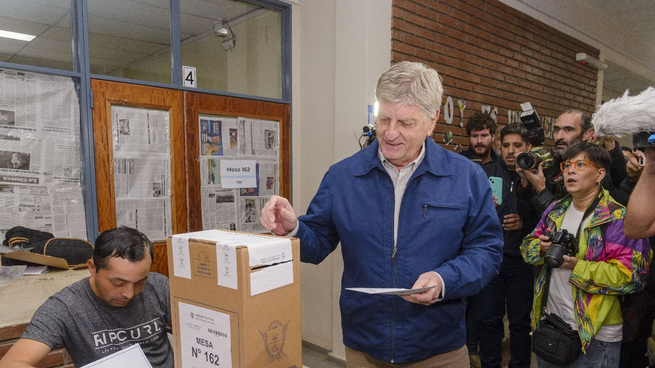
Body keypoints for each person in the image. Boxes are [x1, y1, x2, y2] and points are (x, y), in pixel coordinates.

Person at [260, 61, 504, 367]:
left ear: (432, 121)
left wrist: (445, 279)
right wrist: (293, 229)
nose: (390, 133)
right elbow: (319, 242)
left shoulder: (466, 178)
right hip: (365, 347)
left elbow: (487, 251)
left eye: (405, 123)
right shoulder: (343, 176)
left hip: (439, 349)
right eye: (384, 118)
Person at [520, 142, 651, 367]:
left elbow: (632, 277)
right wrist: (540, 249)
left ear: (600, 174)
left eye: (580, 165)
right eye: (567, 165)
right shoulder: (556, 210)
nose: (570, 170)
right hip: (550, 326)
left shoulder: (617, 218)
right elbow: (526, 248)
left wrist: (577, 266)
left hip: (596, 337)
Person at [0, 227, 173, 368]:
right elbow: (11, 363)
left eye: (139, 283)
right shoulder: (65, 306)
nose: (129, 293)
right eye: (118, 283)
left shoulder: (158, 286)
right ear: (92, 267)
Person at [478, 123, 540, 368]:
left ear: (528, 147)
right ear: (498, 146)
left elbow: (549, 218)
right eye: (506, 146)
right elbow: (471, 216)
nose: (511, 151)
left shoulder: (537, 175)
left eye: (517, 145)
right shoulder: (485, 173)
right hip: (492, 259)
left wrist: (524, 223)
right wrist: (484, 209)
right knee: (488, 320)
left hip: (522, 262)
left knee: (520, 323)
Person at [521, 110, 628, 215]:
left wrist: (541, 190)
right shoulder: (550, 163)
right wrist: (524, 185)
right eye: (557, 130)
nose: (559, 136)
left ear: (586, 134)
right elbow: (530, 217)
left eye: (568, 130)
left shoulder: (596, 167)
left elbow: (564, 218)